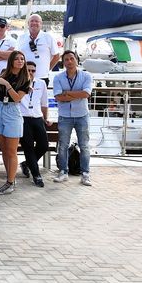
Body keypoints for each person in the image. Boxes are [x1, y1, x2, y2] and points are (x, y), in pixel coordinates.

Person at [0, 50, 30, 195]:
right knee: (4, 149)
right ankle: (11, 178)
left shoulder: (25, 78)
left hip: (12, 111)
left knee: (12, 151)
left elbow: (17, 98)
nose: (20, 61)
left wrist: (7, 84)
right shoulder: (3, 73)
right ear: (11, 61)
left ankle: (9, 182)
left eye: (22, 58)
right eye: (17, 59)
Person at [52, 50, 93, 186]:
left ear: (76, 60)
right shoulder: (58, 77)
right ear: (63, 63)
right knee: (63, 146)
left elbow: (86, 93)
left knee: (84, 146)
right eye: (66, 60)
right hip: (65, 116)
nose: (69, 62)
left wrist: (67, 93)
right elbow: (58, 97)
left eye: (71, 59)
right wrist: (77, 94)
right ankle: (63, 171)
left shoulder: (86, 76)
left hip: (82, 115)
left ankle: (85, 173)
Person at [19, 61, 50, 188]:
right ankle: (36, 175)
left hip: (37, 117)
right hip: (23, 118)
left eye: (33, 71)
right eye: (28, 70)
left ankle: (27, 164)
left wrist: (45, 118)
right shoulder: (19, 83)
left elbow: (44, 103)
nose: (30, 73)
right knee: (28, 148)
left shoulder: (41, 83)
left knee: (44, 145)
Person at [18, 14, 60, 85]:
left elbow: (56, 56)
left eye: (37, 21)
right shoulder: (21, 38)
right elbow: (17, 55)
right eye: (32, 21)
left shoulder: (48, 37)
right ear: (28, 23)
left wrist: (47, 69)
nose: (34, 23)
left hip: (42, 77)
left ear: (41, 24)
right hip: (24, 77)